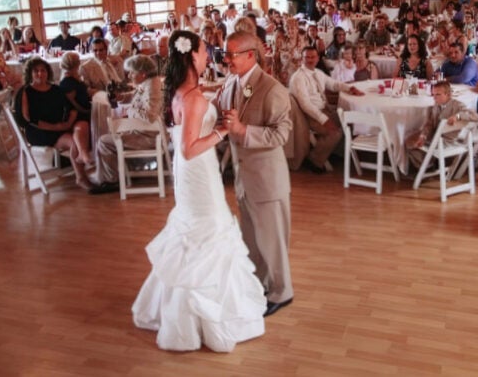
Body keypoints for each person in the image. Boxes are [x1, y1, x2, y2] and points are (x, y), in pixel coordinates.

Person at [132, 30, 266, 351]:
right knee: (210, 231)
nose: (209, 55)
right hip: (197, 170)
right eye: (205, 51)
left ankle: (186, 309)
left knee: (198, 231)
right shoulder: (191, 99)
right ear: (192, 56)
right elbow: (191, 148)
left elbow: (191, 115)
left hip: (190, 174)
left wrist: (211, 92)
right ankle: (206, 317)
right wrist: (220, 130)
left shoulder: (184, 91)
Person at [215, 31, 295, 318]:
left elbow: (281, 134)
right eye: (225, 54)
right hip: (242, 177)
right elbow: (217, 108)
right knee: (252, 239)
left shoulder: (272, 89)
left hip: (266, 179)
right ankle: (261, 283)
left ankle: (282, 291)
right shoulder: (231, 82)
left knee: (272, 241)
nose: (226, 60)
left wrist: (242, 131)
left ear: (251, 55)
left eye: (231, 54)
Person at [15, 57, 93, 189]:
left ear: (48, 72)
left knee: (81, 133)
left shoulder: (55, 89)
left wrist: (67, 123)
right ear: (30, 73)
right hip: (38, 131)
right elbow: (27, 119)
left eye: (43, 70)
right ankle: (82, 176)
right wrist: (56, 127)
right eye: (36, 71)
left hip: (59, 128)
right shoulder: (25, 92)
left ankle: (81, 170)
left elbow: (71, 108)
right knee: (75, 142)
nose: (40, 74)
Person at [91, 55, 163, 194]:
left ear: (143, 73)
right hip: (145, 132)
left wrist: (130, 111)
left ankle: (111, 180)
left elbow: (150, 115)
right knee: (108, 139)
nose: (129, 75)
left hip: (150, 136)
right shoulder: (148, 83)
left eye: (132, 72)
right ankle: (112, 177)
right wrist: (122, 98)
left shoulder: (152, 86)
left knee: (104, 142)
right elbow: (136, 96)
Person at [288, 46, 364, 174]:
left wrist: (350, 88)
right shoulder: (298, 78)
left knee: (350, 121)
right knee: (335, 132)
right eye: (307, 57)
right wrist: (324, 120)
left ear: (318, 58)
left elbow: (333, 84)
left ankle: (335, 153)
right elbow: (306, 105)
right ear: (302, 59)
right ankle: (314, 160)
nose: (310, 60)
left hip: (325, 109)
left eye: (313, 57)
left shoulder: (317, 73)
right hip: (310, 115)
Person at [406, 80, 478, 163]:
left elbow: (475, 116)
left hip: (446, 141)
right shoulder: (436, 106)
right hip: (434, 137)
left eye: (438, 94)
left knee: (412, 142)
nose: (434, 97)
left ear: (448, 95)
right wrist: (423, 136)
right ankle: (427, 163)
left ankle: (428, 164)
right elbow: (429, 124)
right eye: (433, 94)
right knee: (409, 140)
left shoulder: (457, 105)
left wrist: (458, 116)